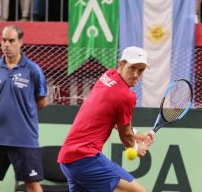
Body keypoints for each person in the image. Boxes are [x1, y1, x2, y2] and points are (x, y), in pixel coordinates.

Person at [58, 46, 154, 192]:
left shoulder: (108, 76)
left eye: (140, 70)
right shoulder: (126, 96)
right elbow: (125, 135)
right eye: (132, 68)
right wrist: (136, 148)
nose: (136, 74)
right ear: (121, 64)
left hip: (67, 160)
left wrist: (137, 135)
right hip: (86, 159)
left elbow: (112, 118)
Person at [0, 25, 48, 192]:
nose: (6, 45)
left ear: (21, 42)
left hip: (24, 138)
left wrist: (23, 113)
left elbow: (42, 102)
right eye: (4, 40)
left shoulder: (33, 70)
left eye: (11, 41)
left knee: (32, 184)